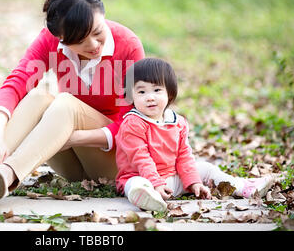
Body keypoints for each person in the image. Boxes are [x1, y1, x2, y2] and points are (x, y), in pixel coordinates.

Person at [0, 0, 145, 206]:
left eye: (98, 32)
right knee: (40, 95)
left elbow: (134, 122)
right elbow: (17, 82)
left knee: (65, 103)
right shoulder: (50, 41)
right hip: (72, 165)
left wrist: (73, 137)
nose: (94, 45)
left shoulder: (128, 47)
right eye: (79, 41)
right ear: (60, 38)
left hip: (113, 162)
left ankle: (7, 174)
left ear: (103, 15)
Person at [115, 58, 275, 212]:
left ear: (169, 93)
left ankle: (243, 188)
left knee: (206, 168)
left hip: (171, 178)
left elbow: (184, 155)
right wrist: (155, 183)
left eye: (157, 90)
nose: (150, 97)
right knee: (136, 184)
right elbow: (140, 157)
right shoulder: (133, 123)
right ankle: (148, 199)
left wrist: (193, 183)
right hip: (141, 177)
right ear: (131, 97)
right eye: (141, 91)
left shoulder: (177, 122)